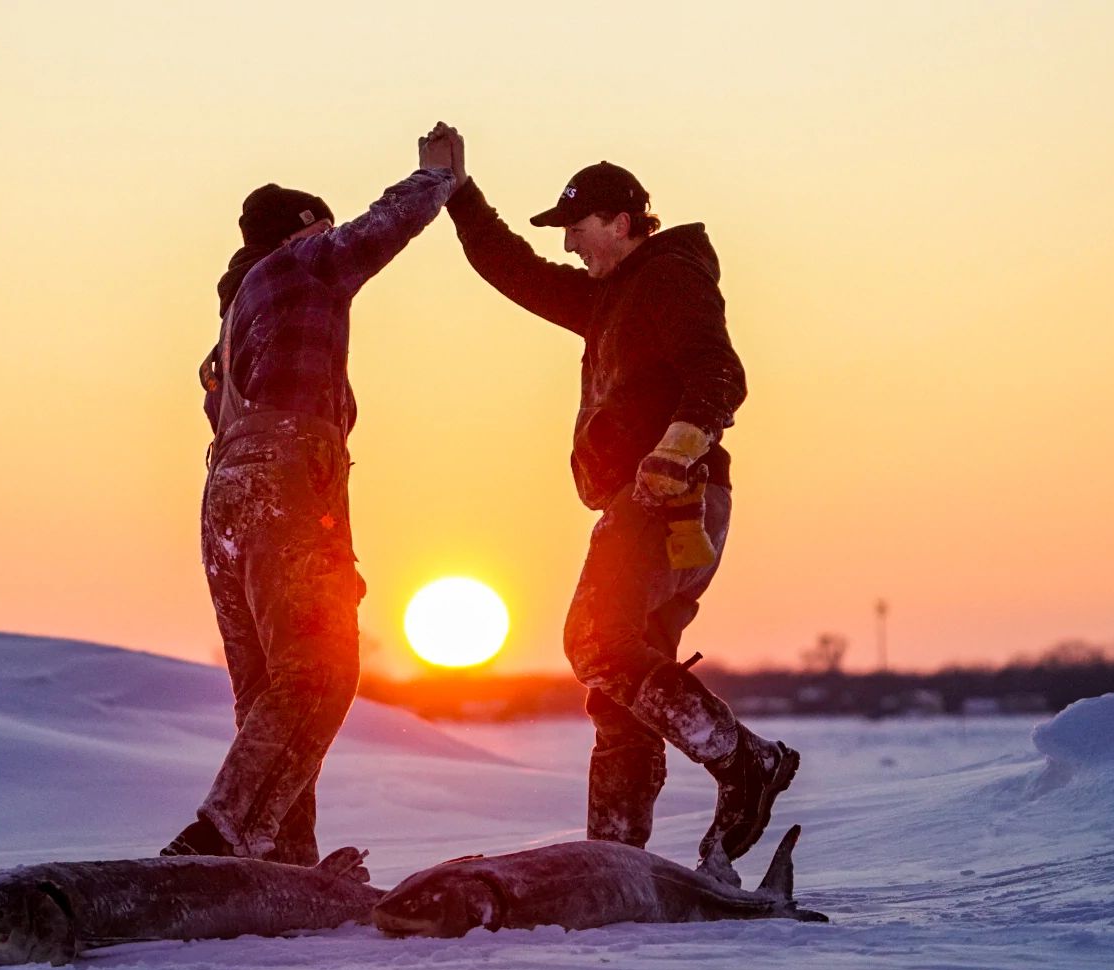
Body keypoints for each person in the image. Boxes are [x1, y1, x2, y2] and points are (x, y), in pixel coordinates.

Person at [427, 125, 798, 875]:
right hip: (646, 502)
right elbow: (515, 270)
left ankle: (745, 760)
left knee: (593, 642)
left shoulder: (668, 278)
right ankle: (614, 856)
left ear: (623, 222)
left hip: (668, 499)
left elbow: (720, 372)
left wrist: (675, 451)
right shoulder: (608, 299)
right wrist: (457, 194)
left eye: (579, 228)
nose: (569, 245)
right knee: (620, 687)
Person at [162, 138, 460, 864]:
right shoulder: (302, 264)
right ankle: (220, 836)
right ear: (301, 230)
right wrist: (439, 175)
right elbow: (381, 227)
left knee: (268, 690)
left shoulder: (236, 313)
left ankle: (282, 861)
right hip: (283, 486)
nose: (332, 242)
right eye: (320, 229)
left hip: (226, 499)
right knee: (323, 672)